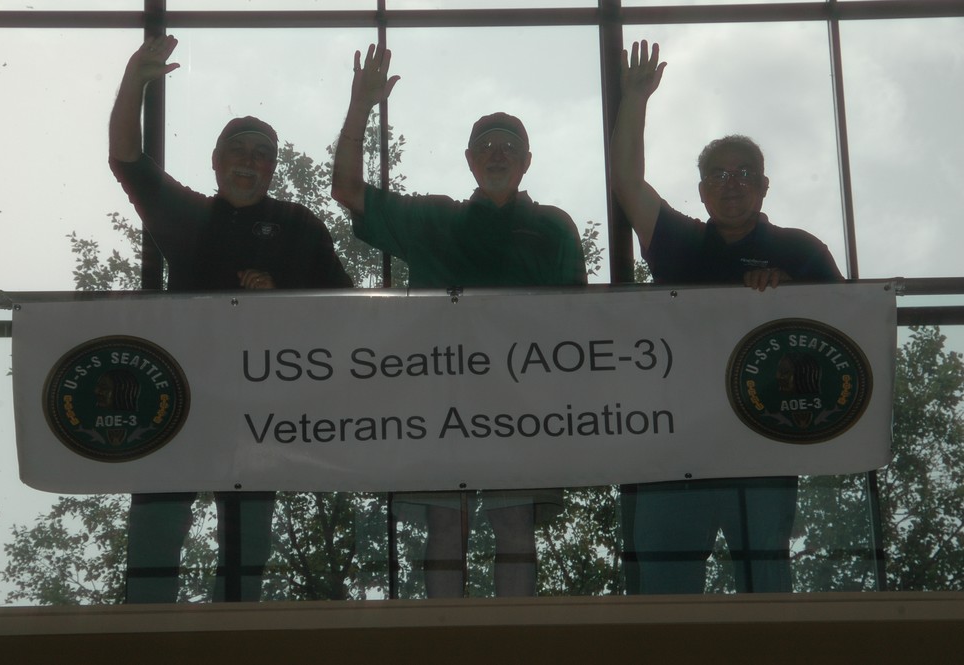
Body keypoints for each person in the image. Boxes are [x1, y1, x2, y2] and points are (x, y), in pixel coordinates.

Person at [331, 44, 587, 597]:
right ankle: (442, 635)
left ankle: (516, 637)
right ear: (469, 160)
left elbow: (580, 327)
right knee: (447, 525)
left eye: (509, 147)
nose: (497, 154)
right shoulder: (434, 219)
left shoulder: (554, 228)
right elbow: (348, 191)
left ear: (526, 161)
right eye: (486, 146)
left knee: (515, 525)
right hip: (439, 403)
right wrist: (360, 107)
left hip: (523, 407)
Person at [109, 35, 352, 603]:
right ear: (216, 162)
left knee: (246, 555)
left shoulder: (300, 226)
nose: (248, 161)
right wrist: (133, 81)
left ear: (273, 168)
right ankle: (140, 637)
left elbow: (348, 313)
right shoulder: (188, 216)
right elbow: (126, 159)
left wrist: (282, 298)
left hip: (260, 412)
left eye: (261, 153)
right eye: (237, 150)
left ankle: (233, 639)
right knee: (152, 544)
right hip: (179, 402)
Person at [610, 40, 844, 594]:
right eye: (718, 174)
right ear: (702, 191)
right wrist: (636, 98)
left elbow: (842, 337)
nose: (731, 182)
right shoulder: (680, 242)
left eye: (744, 172)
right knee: (663, 599)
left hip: (761, 448)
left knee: (766, 595)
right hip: (674, 446)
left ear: (763, 186)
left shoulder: (800, 250)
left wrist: (792, 298)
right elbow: (626, 183)